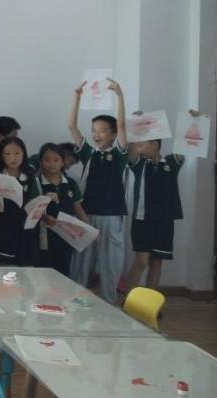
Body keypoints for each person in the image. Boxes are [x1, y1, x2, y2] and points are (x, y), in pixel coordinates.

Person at [67, 78, 128, 303]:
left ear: (113, 134)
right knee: (82, 261)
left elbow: (122, 126)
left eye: (103, 131)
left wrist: (119, 96)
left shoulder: (119, 154)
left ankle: (110, 304)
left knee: (110, 262)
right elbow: (72, 126)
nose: (97, 134)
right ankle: (77, 301)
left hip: (112, 215)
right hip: (88, 214)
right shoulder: (88, 153)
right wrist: (76, 98)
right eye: (94, 130)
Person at [124, 139, 184, 292]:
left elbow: (185, 145)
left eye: (141, 145)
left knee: (156, 263)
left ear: (155, 145)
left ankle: (149, 302)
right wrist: (137, 129)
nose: (138, 149)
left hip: (164, 223)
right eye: (138, 145)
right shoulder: (140, 164)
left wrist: (191, 125)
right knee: (141, 262)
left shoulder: (171, 163)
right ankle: (128, 300)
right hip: (142, 221)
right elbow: (131, 149)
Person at [35, 143, 90, 277]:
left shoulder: (70, 183)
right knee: (45, 273)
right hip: (44, 237)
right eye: (47, 160)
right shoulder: (36, 182)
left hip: (67, 236)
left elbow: (78, 208)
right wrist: (45, 217)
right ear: (40, 162)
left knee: (63, 272)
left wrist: (90, 230)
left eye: (56, 160)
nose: (51, 164)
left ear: (62, 162)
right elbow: (32, 209)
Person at [0, 136, 38, 265]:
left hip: (26, 228)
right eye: (7, 154)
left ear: (24, 154)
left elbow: (36, 200)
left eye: (17, 153)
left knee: (24, 267)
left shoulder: (30, 176)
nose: (13, 158)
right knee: (3, 265)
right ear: (1, 155)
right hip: (3, 227)